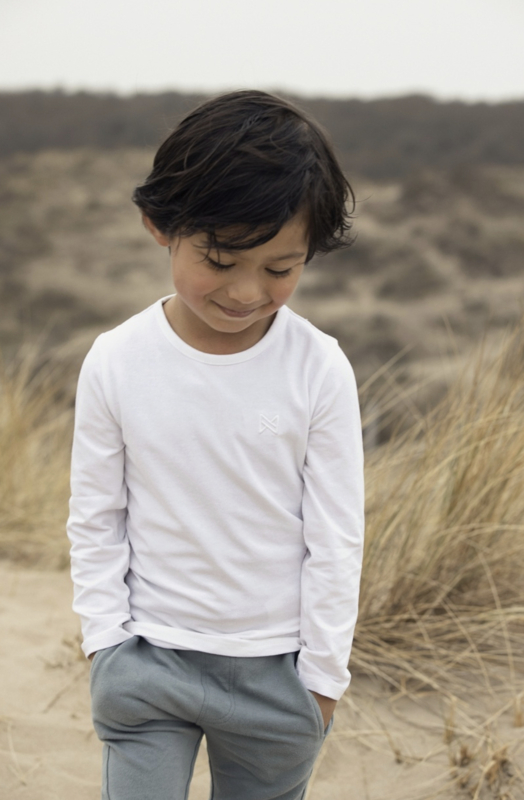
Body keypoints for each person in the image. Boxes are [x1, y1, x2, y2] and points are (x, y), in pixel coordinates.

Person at [66, 89, 365, 800]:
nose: (246, 291)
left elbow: (336, 537)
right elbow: (96, 516)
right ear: (160, 226)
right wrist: (105, 645)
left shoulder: (319, 368)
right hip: (147, 663)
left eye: (280, 268)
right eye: (222, 259)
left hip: (277, 679)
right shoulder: (116, 361)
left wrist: (322, 683)